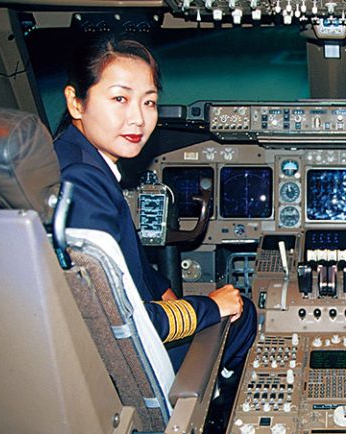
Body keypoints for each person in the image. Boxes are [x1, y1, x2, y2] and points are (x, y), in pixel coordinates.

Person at [53, 36, 256, 376]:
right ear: (76, 103)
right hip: (134, 362)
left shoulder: (72, 157)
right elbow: (127, 320)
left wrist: (164, 289)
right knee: (242, 312)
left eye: (148, 102)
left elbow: (126, 263)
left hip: (123, 337)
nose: (138, 118)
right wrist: (209, 307)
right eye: (120, 98)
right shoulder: (81, 183)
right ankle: (217, 394)